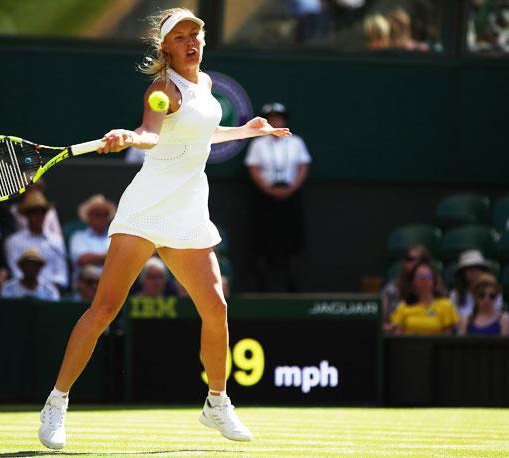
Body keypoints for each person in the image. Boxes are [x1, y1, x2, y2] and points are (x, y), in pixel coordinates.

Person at [37, 8, 291, 450]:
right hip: (148, 206)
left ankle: (216, 403)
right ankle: (56, 404)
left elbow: (197, 136)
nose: (191, 42)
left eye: (196, 34)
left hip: (189, 207)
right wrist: (132, 137)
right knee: (104, 311)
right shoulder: (163, 88)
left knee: (216, 306)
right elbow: (152, 133)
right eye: (181, 37)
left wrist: (246, 132)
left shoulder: (205, 85)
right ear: (166, 48)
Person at [244, 102, 311, 292]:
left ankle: (293, 283)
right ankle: (262, 285)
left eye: (278, 118)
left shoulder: (296, 142)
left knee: (291, 239)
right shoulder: (258, 143)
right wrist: (269, 189)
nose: (275, 121)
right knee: (264, 239)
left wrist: (291, 188)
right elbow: (254, 168)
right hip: (266, 198)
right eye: (271, 118)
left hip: (291, 196)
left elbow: (302, 166)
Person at [5, 191, 69, 292]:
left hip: (51, 296)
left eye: (42, 212)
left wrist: (48, 291)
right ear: (27, 215)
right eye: (34, 212)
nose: (39, 216)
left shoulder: (57, 241)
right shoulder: (13, 241)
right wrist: (32, 288)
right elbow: (15, 272)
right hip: (21, 294)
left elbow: (61, 275)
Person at [380, 244, 446, 330]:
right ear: (404, 262)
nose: (415, 263)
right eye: (410, 259)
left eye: (420, 260)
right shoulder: (391, 289)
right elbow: (382, 321)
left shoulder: (437, 287)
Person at [387, 260, 459, 336]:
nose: (425, 279)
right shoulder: (403, 307)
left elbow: (448, 338)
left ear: (433, 280)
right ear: (413, 282)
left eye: (428, 275)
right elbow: (397, 337)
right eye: (420, 276)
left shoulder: (446, 305)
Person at [69, 194, 116, 281]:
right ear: (89, 216)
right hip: (87, 286)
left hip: (111, 283)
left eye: (105, 214)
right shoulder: (78, 236)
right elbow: (82, 260)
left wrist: (94, 258)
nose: (101, 218)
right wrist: (111, 257)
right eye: (97, 214)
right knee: (89, 271)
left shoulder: (114, 238)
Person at [450, 250, 503, 318]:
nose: (475, 272)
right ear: (463, 273)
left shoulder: (494, 292)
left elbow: (497, 317)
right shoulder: (454, 295)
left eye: (478, 268)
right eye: (470, 269)